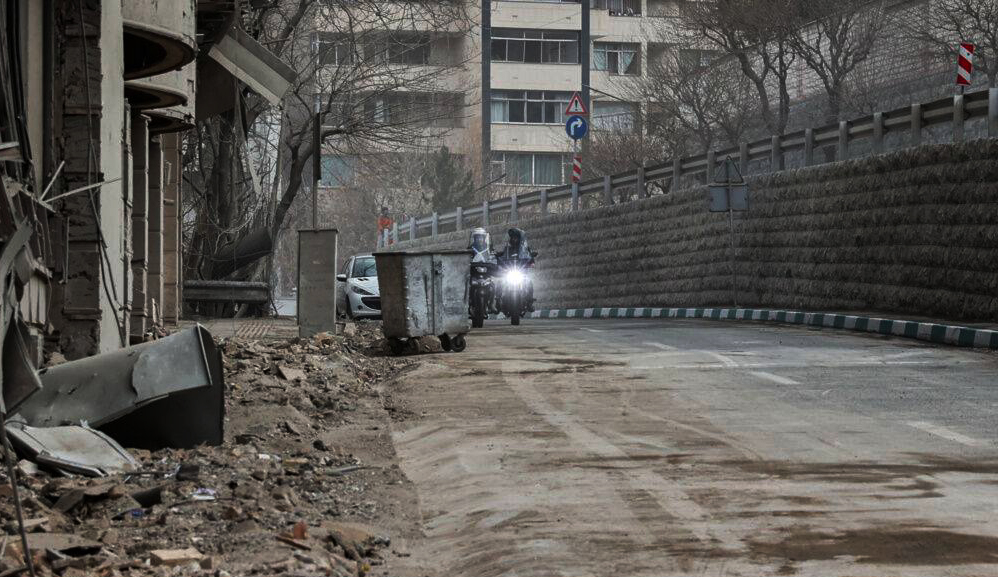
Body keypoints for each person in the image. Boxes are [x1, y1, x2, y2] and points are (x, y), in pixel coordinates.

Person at [494, 227, 536, 311]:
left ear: (520, 238)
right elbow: (502, 256)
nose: (514, 239)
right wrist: (498, 258)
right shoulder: (508, 249)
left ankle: (530, 302)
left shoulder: (525, 249)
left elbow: (530, 257)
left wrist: (531, 261)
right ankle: (498, 301)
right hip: (509, 272)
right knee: (500, 282)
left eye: (516, 237)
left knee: (529, 282)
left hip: (522, 272)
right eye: (513, 237)